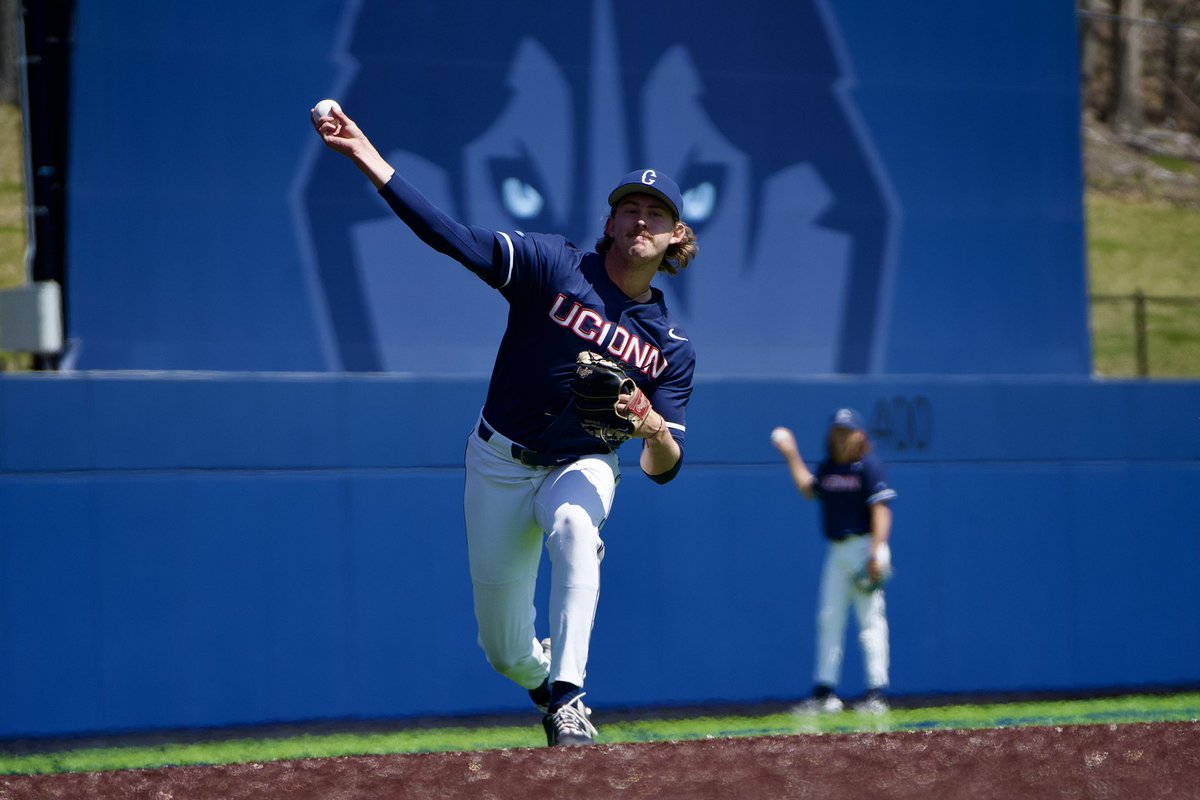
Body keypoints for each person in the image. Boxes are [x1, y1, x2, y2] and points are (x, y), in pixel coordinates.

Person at [312, 102, 697, 746]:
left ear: (675, 237)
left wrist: (653, 428)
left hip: (582, 462)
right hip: (497, 461)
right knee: (504, 651)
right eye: (629, 206)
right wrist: (367, 159)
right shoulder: (554, 266)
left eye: (656, 212)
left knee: (576, 530)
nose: (640, 217)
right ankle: (545, 681)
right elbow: (450, 235)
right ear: (609, 220)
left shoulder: (672, 347)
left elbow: (665, 470)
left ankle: (570, 703)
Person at [771, 408, 896, 714]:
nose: (841, 436)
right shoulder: (829, 468)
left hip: (865, 546)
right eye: (837, 431)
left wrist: (877, 550)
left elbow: (882, 510)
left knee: (870, 621)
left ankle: (876, 693)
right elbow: (808, 489)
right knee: (829, 618)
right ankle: (825, 693)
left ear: (859, 434)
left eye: (847, 431)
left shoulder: (868, 466)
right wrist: (791, 453)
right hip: (838, 551)